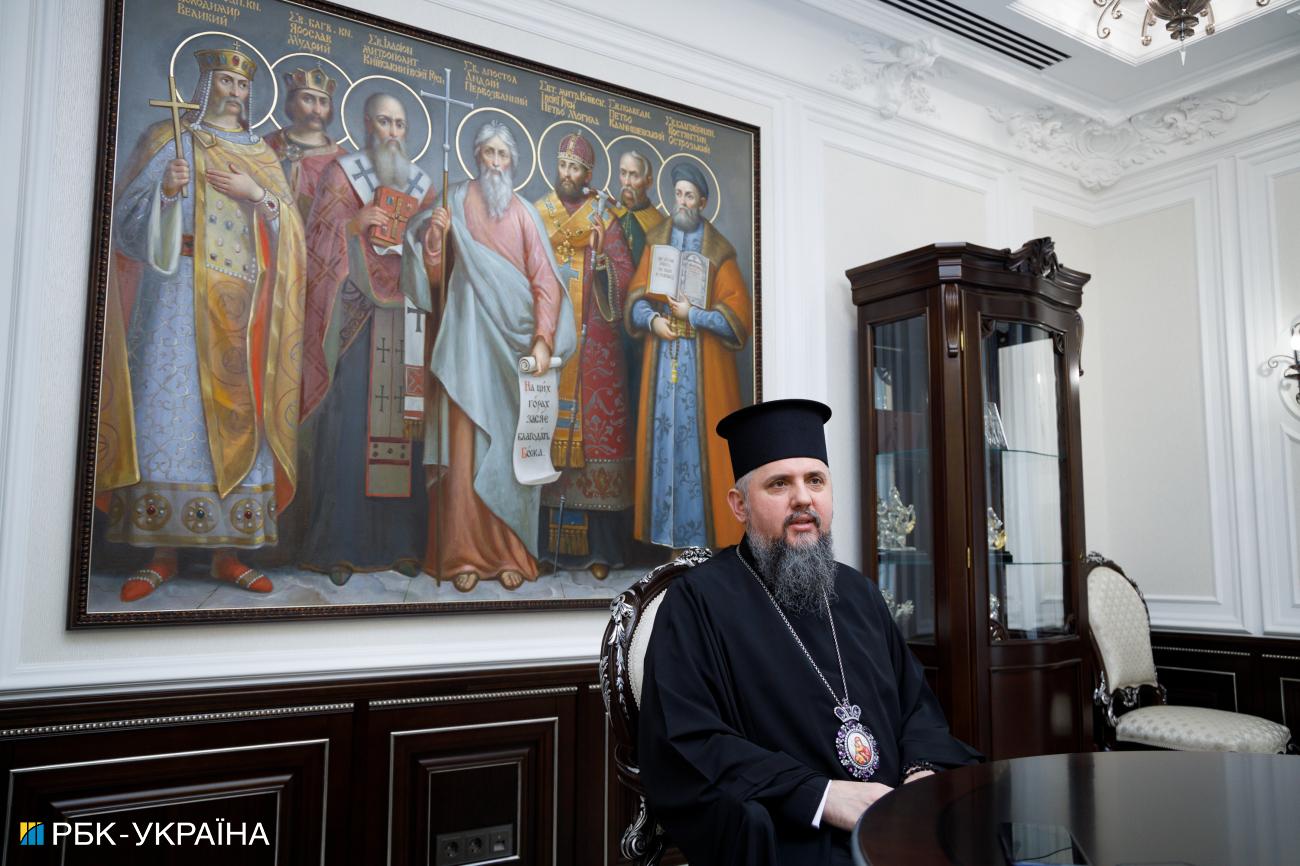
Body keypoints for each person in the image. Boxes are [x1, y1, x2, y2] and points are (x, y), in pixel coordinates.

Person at [638, 399, 980, 864]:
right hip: (795, 834)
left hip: (899, 817)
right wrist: (821, 797)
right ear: (739, 505)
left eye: (815, 480)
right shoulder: (697, 602)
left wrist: (922, 773)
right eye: (779, 483)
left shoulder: (859, 592)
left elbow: (916, 706)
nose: (803, 498)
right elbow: (690, 741)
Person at [100, 44, 306, 601]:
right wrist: (166, 192)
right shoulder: (171, 140)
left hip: (243, 307)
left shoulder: (261, 154)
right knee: (168, 414)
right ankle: (160, 553)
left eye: (243, 85)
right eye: (226, 82)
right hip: (174, 300)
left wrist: (256, 194)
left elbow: (291, 231)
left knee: (239, 422)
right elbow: (124, 231)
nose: (235, 93)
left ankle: (227, 555)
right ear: (205, 86)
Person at [401, 119, 576, 592]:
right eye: (489, 154)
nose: (495, 163)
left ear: (512, 163)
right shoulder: (454, 199)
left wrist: (542, 340)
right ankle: (460, 556)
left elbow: (545, 281)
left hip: (512, 352)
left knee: (511, 453)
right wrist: (434, 240)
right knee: (464, 448)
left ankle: (509, 555)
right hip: (464, 343)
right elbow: (433, 279)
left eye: (503, 155)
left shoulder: (524, 214)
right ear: (476, 157)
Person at [298, 92, 437, 585]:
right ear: (366, 124)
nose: (392, 132)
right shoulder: (343, 174)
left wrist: (433, 237)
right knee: (349, 430)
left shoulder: (422, 186)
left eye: (399, 124)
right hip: (356, 319)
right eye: (384, 121)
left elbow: (436, 260)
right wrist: (353, 225)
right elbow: (314, 242)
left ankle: (402, 544)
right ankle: (340, 546)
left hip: (406, 322)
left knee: (405, 431)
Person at [624, 161, 752, 554]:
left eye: (690, 196)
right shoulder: (657, 242)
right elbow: (636, 300)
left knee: (697, 450)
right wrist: (653, 321)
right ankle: (667, 541)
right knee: (663, 445)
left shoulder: (718, 252)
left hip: (702, 370)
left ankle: (700, 543)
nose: (682, 202)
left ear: (703, 201)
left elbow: (737, 320)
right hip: (663, 365)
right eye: (678, 194)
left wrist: (693, 314)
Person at [530, 133, 636, 579]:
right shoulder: (539, 213)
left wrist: (601, 259)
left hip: (595, 351)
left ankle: (600, 551)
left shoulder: (603, 217)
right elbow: (525, 266)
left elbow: (625, 278)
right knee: (543, 436)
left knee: (596, 438)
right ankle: (545, 549)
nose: (568, 174)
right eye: (563, 165)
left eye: (576, 168)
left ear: (588, 174)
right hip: (549, 343)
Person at [264, 65, 346, 218]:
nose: (317, 110)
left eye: (323, 102)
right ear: (292, 103)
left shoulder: (342, 161)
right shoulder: (266, 145)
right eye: (308, 99)